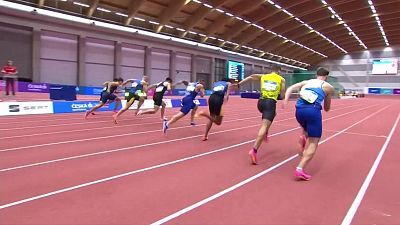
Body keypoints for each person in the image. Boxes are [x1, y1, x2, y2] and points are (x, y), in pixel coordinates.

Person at [284, 67, 334, 181]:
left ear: (316, 74)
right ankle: (299, 169)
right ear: (326, 77)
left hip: (299, 111)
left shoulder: (306, 82)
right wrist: (326, 97)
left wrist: (285, 99)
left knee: (306, 130)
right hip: (312, 111)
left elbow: (291, 87)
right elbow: (327, 108)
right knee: (314, 142)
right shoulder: (328, 87)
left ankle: (304, 135)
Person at [239, 65, 286, 165]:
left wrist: (239, 84)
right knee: (264, 125)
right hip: (270, 102)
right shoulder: (281, 79)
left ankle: (265, 133)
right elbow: (282, 95)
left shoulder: (263, 76)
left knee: (272, 114)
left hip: (260, 102)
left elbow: (251, 77)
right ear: (279, 71)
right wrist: (282, 95)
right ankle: (254, 150)